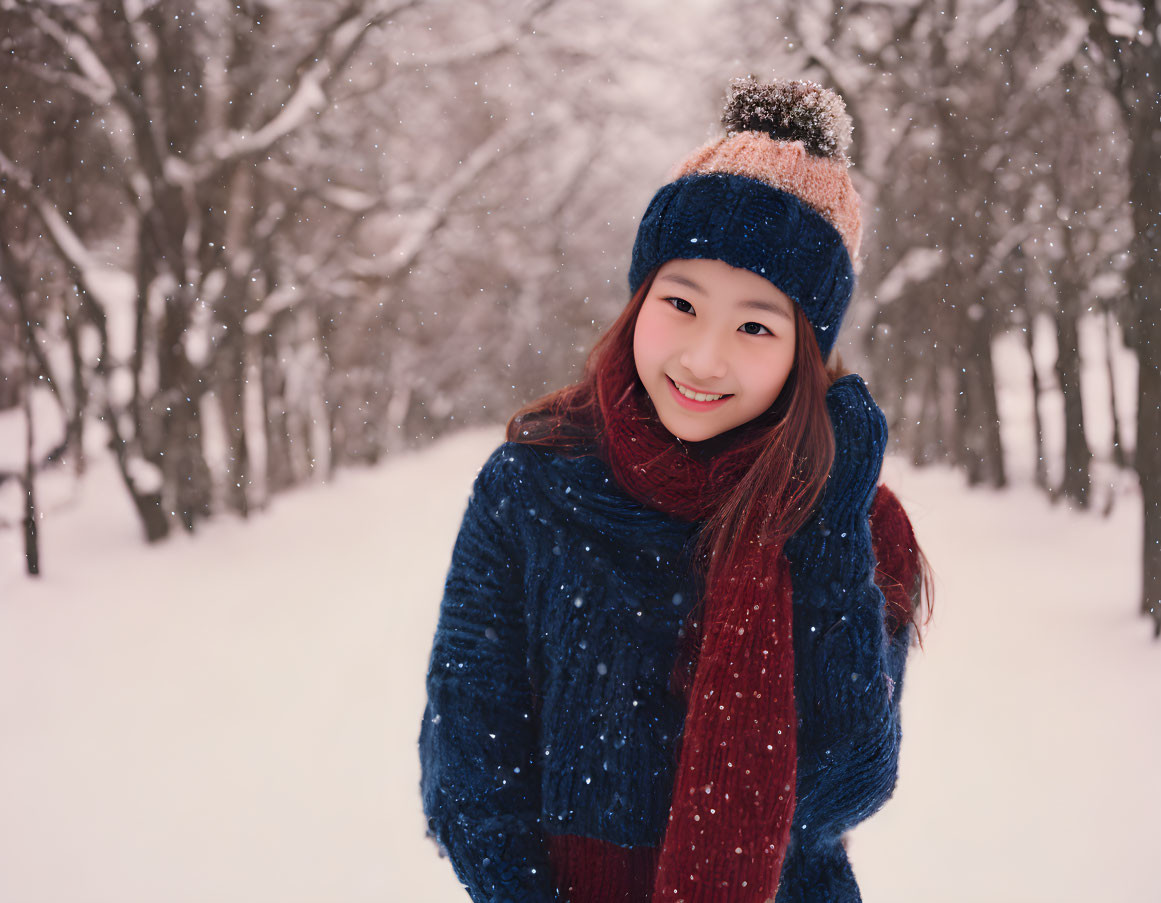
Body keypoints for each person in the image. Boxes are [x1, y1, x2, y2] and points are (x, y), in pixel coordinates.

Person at [418, 75, 935, 903]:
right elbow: (470, 768)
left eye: (755, 325)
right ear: (638, 299)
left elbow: (847, 778)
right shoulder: (532, 486)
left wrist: (829, 526)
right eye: (681, 303)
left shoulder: (857, 521)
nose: (702, 358)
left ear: (807, 352)